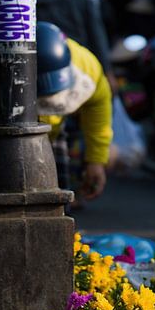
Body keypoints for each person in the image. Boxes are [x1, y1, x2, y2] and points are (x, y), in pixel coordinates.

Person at [36, 21, 113, 201]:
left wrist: (96, 161)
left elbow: (98, 107)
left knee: (58, 204)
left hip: (52, 134)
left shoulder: (86, 66)